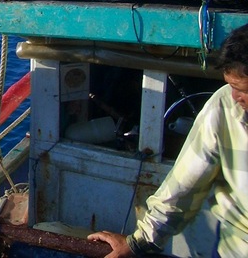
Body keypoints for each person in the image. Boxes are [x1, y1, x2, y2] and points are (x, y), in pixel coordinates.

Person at [88, 23, 248, 258]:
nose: (235, 96)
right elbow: (184, 185)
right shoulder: (224, 107)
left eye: (241, 89)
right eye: (230, 86)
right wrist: (138, 242)